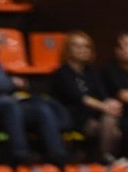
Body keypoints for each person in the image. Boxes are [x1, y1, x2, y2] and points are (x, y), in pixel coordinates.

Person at [0, 26, 68, 167]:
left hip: (8, 106)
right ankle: (20, 154)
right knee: (11, 106)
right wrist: (11, 82)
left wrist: (9, 84)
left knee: (40, 109)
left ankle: (57, 155)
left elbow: (1, 85)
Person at [49, 31, 123, 164]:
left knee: (112, 122)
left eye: (86, 46)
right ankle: (105, 160)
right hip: (72, 115)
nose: (82, 50)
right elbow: (79, 98)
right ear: (68, 49)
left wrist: (112, 104)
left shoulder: (92, 72)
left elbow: (103, 95)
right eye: (77, 46)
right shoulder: (61, 73)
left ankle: (106, 158)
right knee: (109, 128)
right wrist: (105, 107)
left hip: (95, 114)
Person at [103, 32, 128, 159]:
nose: (125, 49)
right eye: (123, 46)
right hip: (120, 114)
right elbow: (124, 96)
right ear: (116, 50)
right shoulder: (110, 70)